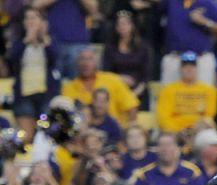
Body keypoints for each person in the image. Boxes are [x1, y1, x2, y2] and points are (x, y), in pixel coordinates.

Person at [8, 7, 60, 140]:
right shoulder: (18, 42)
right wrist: (26, 41)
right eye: (27, 18)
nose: (30, 21)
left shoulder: (50, 41)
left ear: (42, 21)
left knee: (44, 132)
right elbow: (12, 60)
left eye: (34, 17)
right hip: (24, 95)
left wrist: (44, 39)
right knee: (27, 135)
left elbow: (55, 59)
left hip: (45, 96)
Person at [62, 48, 139, 125]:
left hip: (114, 132)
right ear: (76, 63)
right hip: (83, 132)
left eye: (90, 59)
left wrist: (129, 130)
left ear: (97, 63)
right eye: (82, 59)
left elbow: (131, 106)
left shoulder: (112, 80)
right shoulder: (68, 88)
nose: (85, 63)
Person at [159, 0, 217, 85]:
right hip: (175, 57)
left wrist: (205, 22)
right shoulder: (171, 2)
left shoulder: (207, 3)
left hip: (201, 57)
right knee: (169, 94)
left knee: (203, 95)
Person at [156, 52, 217, 134]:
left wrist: (195, 130)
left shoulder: (210, 91)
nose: (189, 69)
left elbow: (210, 115)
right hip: (175, 132)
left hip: (200, 130)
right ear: (180, 69)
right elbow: (163, 117)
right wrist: (177, 130)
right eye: (185, 66)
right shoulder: (168, 90)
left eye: (192, 66)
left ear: (197, 69)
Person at [102, 10, 152, 106]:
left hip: (139, 91)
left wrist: (133, 94)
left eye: (125, 23)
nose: (122, 27)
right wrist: (119, 78)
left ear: (132, 25)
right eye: (119, 24)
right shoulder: (110, 47)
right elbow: (105, 72)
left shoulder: (143, 47)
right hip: (115, 90)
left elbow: (146, 76)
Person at [40, 0, 98, 79]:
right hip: (53, 44)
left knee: (78, 83)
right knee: (54, 82)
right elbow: (36, 5)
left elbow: (93, 8)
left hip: (78, 44)